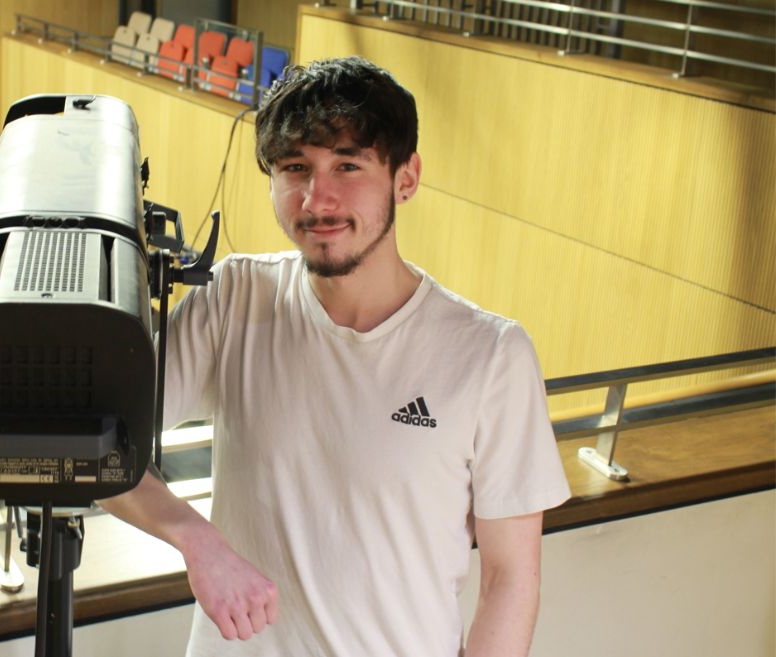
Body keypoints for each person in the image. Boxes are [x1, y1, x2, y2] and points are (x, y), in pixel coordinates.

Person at [100, 56, 571, 657]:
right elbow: (97, 448)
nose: (317, 199)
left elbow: (510, 580)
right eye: (296, 168)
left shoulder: (491, 354)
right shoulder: (236, 297)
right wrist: (196, 538)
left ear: (406, 177)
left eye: (348, 166)